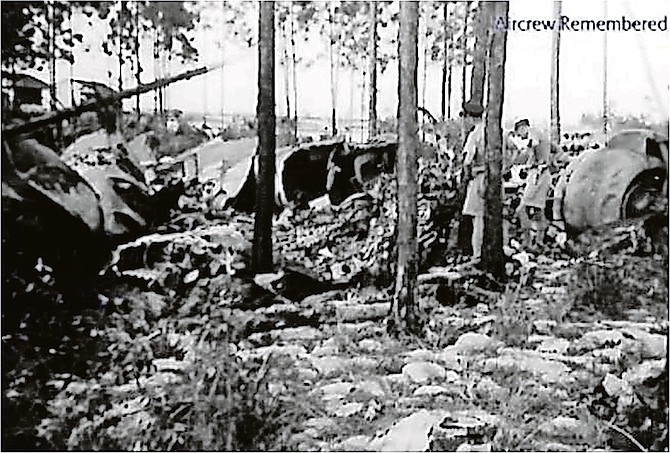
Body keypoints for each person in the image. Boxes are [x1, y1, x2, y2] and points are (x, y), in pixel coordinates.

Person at [461, 102, 486, 261]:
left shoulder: (475, 134)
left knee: (477, 218)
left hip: (479, 177)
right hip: (495, 178)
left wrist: (467, 175)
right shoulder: (496, 131)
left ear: (470, 117)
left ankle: (477, 255)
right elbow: (513, 151)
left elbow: (467, 160)